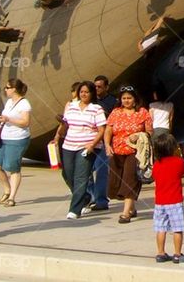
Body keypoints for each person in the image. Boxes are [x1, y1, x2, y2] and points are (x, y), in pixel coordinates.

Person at [56, 81, 106, 219]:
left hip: (86, 147)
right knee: (67, 174)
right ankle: (85, 197)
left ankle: (75, 209)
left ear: (92, 94)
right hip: (68, 145)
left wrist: (92, 144)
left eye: (87, 92)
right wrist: (57, 135)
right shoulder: (71, 106)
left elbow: (102, 130)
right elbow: (65, 126)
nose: (83, 94)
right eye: (81, 91)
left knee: (81, 177)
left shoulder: (96, 109)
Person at [104, 85, 152, 223]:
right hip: (117, 151)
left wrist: (139, 135)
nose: (126, 101)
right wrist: (107, 145)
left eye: (129, 98)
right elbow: (108, 130)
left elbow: (149, 132)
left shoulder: (142, 112)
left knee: (130, 179)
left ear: (135, 99)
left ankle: (125, 213)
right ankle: (132, 207)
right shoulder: (116, 112)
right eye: (124, 98)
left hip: (135, 151)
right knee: (116, 181)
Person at [0, 78, 31, 207]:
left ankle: (12, 196)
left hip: (17, 138)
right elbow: (6, 118)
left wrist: (9, 119)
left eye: (7, 88)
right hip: (4, 136)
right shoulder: (8, 103)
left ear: (14, 89)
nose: (5, 90)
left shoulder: (24, 104)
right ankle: (7, 189)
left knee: (13, 168)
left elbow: (26, 122)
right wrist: (3, 119)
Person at [151, 132, 184, 263]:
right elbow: (183, 171)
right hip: (175, 201)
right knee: (177, 228)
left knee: (161, 228)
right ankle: (177, 254)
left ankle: (160, 253)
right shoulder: (178, 162)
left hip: (160, 202)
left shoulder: (157, 165)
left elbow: (154, 176)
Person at [88, 76, 117, 211]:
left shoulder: (113, 101)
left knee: (101, 171)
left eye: (100, 87)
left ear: (106, 87)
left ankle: (101, 200)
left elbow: (115, 120)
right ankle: (91, 195)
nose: (97, 89)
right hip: (88, 139)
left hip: (104, 140)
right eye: (95, 87)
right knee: (85, 172)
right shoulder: (90, 101)